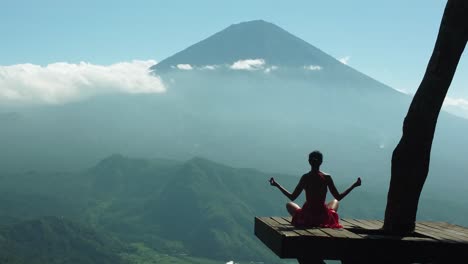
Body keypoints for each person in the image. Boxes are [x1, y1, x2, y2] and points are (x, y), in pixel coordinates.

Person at [269, 150, 361, 228]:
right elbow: (339, 197)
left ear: (309, 161)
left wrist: (277, 185)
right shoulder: (327, 177)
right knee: (335, 201)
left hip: (307, 216)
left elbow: (292, 197)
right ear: (321, 162)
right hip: (322, 216)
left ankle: (302, 215)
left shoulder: (305, 177)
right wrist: (354, 185)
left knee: (289, 204)